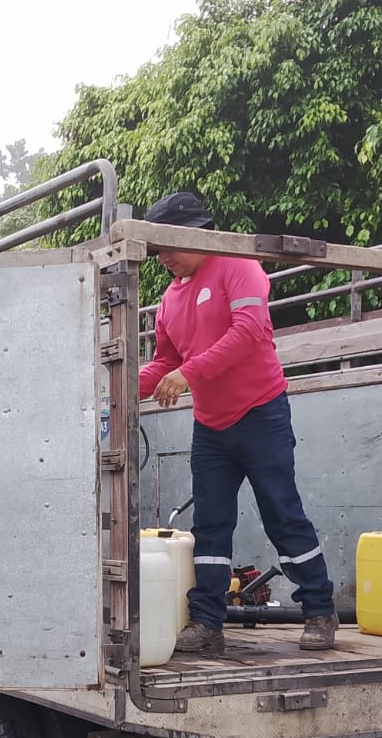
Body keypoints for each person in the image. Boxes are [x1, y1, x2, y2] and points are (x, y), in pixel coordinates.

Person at [137, 190, 337, 653]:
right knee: (210, 525)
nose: (163, 258)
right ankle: (207, 623)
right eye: (158, 250)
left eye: (167, 246)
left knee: (282, 514)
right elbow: (165, 363)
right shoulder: (168, 301)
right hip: (211, 426)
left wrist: (187, 374)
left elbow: (249, 331)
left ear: (196, 234)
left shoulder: (238, 264)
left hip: (261, 412)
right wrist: (118, 385)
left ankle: (319, 611)